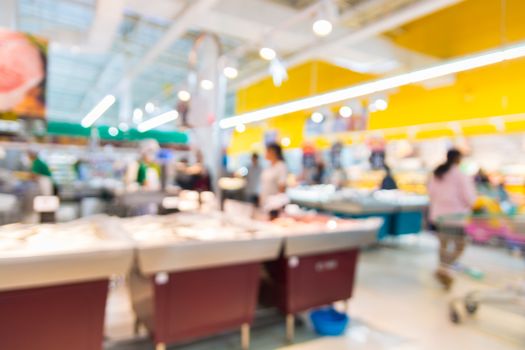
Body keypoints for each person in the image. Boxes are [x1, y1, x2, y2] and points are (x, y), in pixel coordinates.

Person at [428, 149, 476, 290]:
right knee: (460, 245)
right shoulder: (460, 175)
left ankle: (443, 268)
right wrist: (473, 205)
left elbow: (431, 193)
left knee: (443, 244)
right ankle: (445, 269)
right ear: (458, 159)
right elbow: (469, 197)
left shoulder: (438, 173)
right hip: (456, 216)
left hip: (440, 216)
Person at [260, 143, 288, 218]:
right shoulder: (269, 166)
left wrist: (276, 204)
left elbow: (282, 187)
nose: (265, 153)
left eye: (267, 151)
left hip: (274, 207)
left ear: (273, 152)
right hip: (265, 204)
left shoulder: (281, 166)